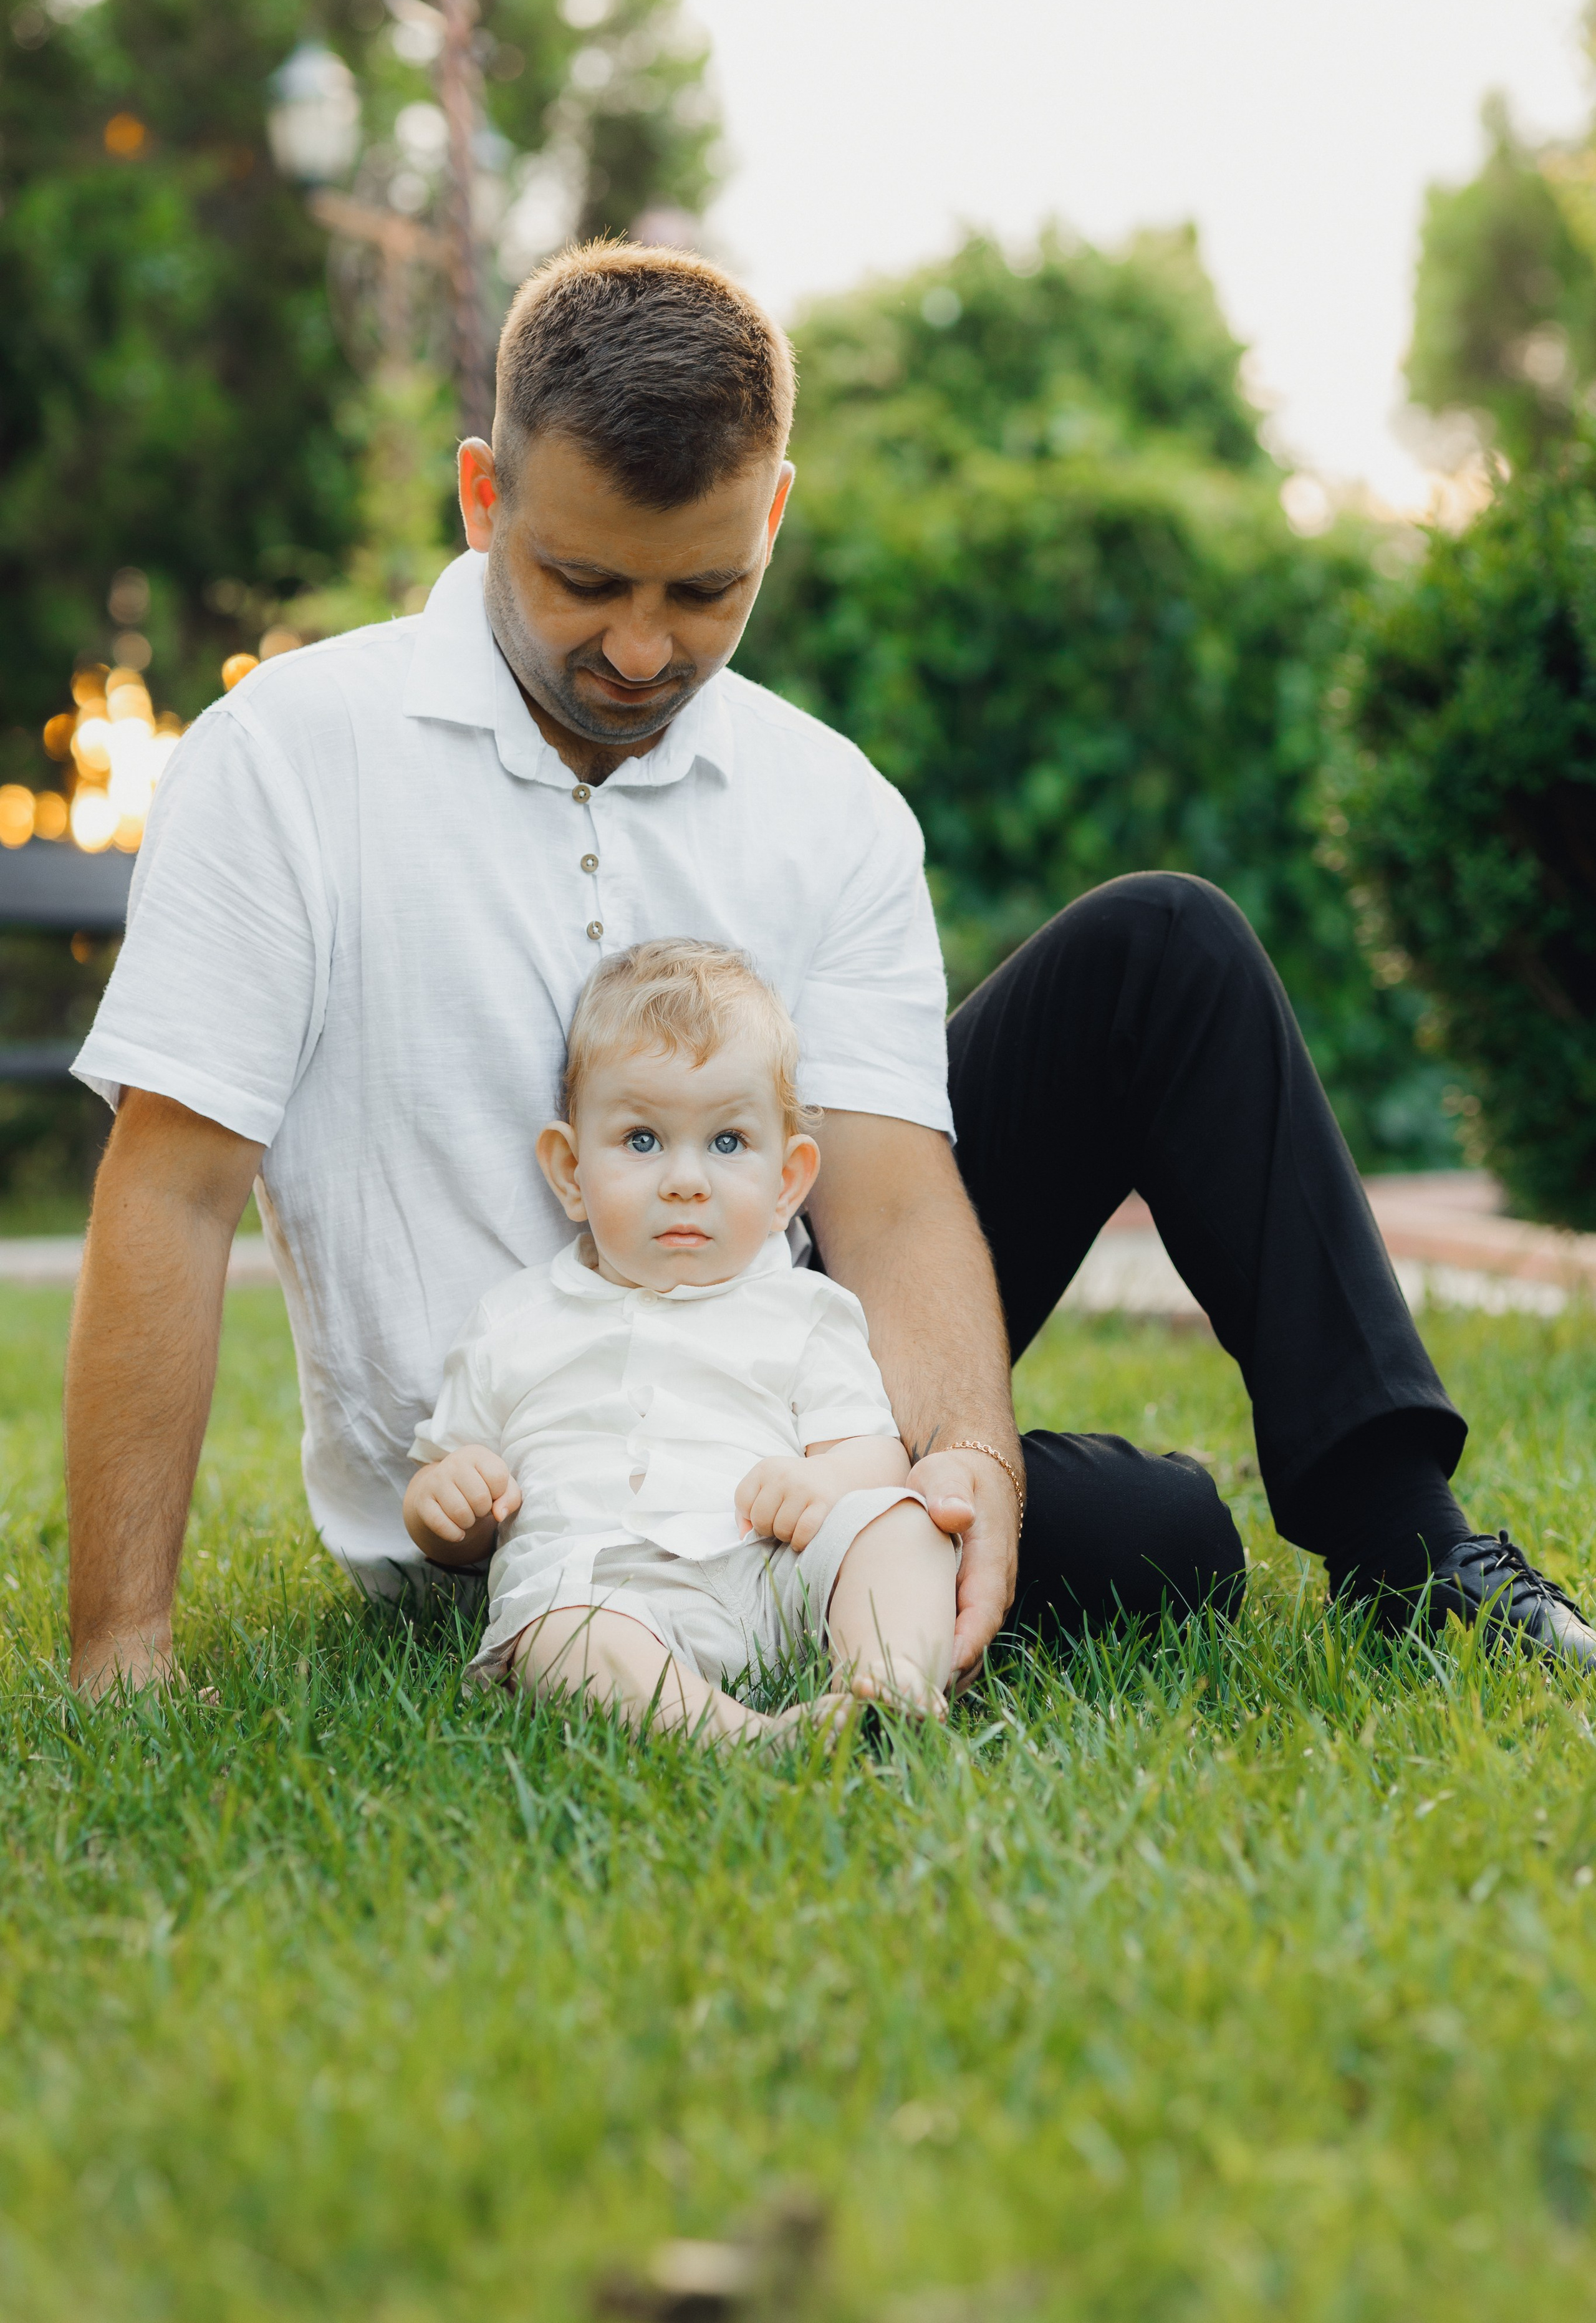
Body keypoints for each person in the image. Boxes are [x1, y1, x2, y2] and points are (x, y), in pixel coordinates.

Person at [65, 239, 1596, 1698]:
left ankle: (1414, 1559)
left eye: (703, 592)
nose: (645, 653)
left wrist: (969, 1470)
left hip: (786, 1419)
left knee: (1163, 954)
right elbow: (173, 1189)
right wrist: (121, 1649)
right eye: (587, 582)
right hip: (524, 1492)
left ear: (773, 518)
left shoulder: (830, 806)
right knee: (1154, 1536)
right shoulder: (285, 760)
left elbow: (881, 1188)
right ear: (483, 496)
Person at [403, 938, 957, 1741]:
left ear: (787, 1182)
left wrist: (828, 1479)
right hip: (599, 1585)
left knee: (903, 1521)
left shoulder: (804, 1308)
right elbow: (443, 1510)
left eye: (728, 1143)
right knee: (565, 1636)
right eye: (641, 1140)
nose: (686, 1178)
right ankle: (742, 1737)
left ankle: (892, 1680)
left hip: (771, 1571)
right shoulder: (512, 1320)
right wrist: (446, 1503)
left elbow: (874, 1454)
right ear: (569, 1172)